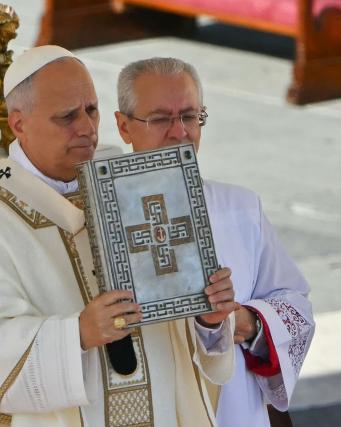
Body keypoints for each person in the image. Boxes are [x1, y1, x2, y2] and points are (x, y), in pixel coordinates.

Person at [0, 45, 239, 427]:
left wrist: (208, 319)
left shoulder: (126, 185)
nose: (86, 128)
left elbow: (173, 326)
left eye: (91, 110)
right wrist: (78, 334)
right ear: (18, 124)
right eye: (67, 117)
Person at [114, 57, 316, 427]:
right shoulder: (101, 220)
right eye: (160, 119)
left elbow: (295, 308)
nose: (180, 133)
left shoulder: (241, 208)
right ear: (123, 126)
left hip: (233, 409)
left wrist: (244, 321)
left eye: (190, 116)